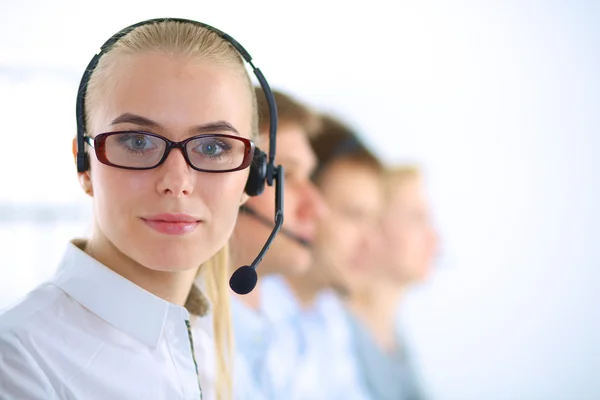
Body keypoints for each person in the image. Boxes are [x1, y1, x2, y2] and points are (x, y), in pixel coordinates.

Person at [0, 18, 278, 400]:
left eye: (214, 147)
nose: (177, 181)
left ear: (254, 175)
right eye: (137, 141)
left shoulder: (216, 348)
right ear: (84, 165)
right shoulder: (20, 362)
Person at [226, 88, 329, 399]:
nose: (318, 208)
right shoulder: (186, 339)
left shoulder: (286, 320)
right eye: (289, 176)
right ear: (242, 182)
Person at [273, 113, 384, 399]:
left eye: (374, 221)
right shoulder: (250, 309)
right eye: (353, 215)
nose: (370, 243)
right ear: (304, 203)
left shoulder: (329, 313)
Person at [342, 165, 439, 400]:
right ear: (373, 225)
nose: (434, 237)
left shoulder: (396, 339)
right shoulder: (336, 330)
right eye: (417, 218)